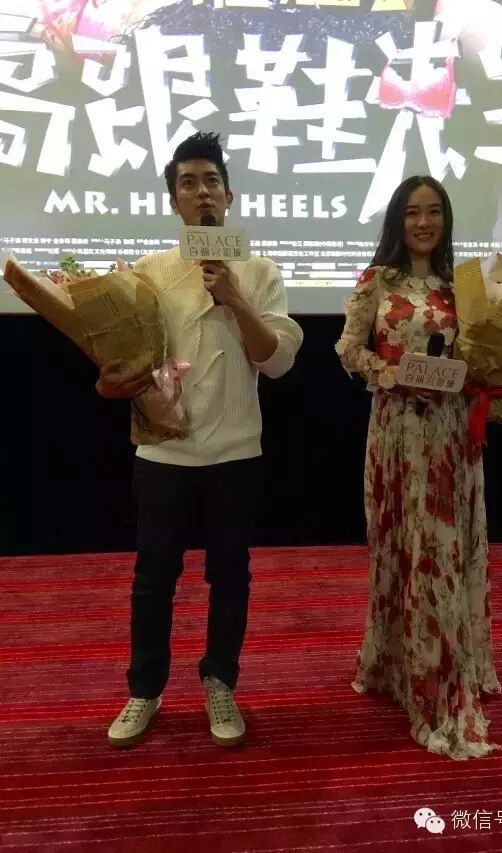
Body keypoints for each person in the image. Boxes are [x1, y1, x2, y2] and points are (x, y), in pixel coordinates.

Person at [97, 131, 303, 749]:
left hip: (235, 450)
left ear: (229, 197)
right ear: (174, 202)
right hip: (164, 448)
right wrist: (111, 377)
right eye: (188, 183)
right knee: (154, 576)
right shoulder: (150, 272)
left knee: (230, 574)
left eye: (211, 181)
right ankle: (145, 688)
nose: (201, 192)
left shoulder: (259, 272)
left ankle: (220, 681)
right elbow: (126, 353)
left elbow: (277, 361)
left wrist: (234, 296)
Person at [336, 176, 502, 761]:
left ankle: (440, 674)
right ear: (397, 219)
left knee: (442, 550)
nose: (423, 222)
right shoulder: (377, 281)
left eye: (433, 212)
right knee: (401, 548)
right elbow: (348, 349)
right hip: (396, 432)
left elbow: (481, 361)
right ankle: (397, 666)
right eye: (412, 212)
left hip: (448, 437)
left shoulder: (461, 287)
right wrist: (388, 374)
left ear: (445, 220)